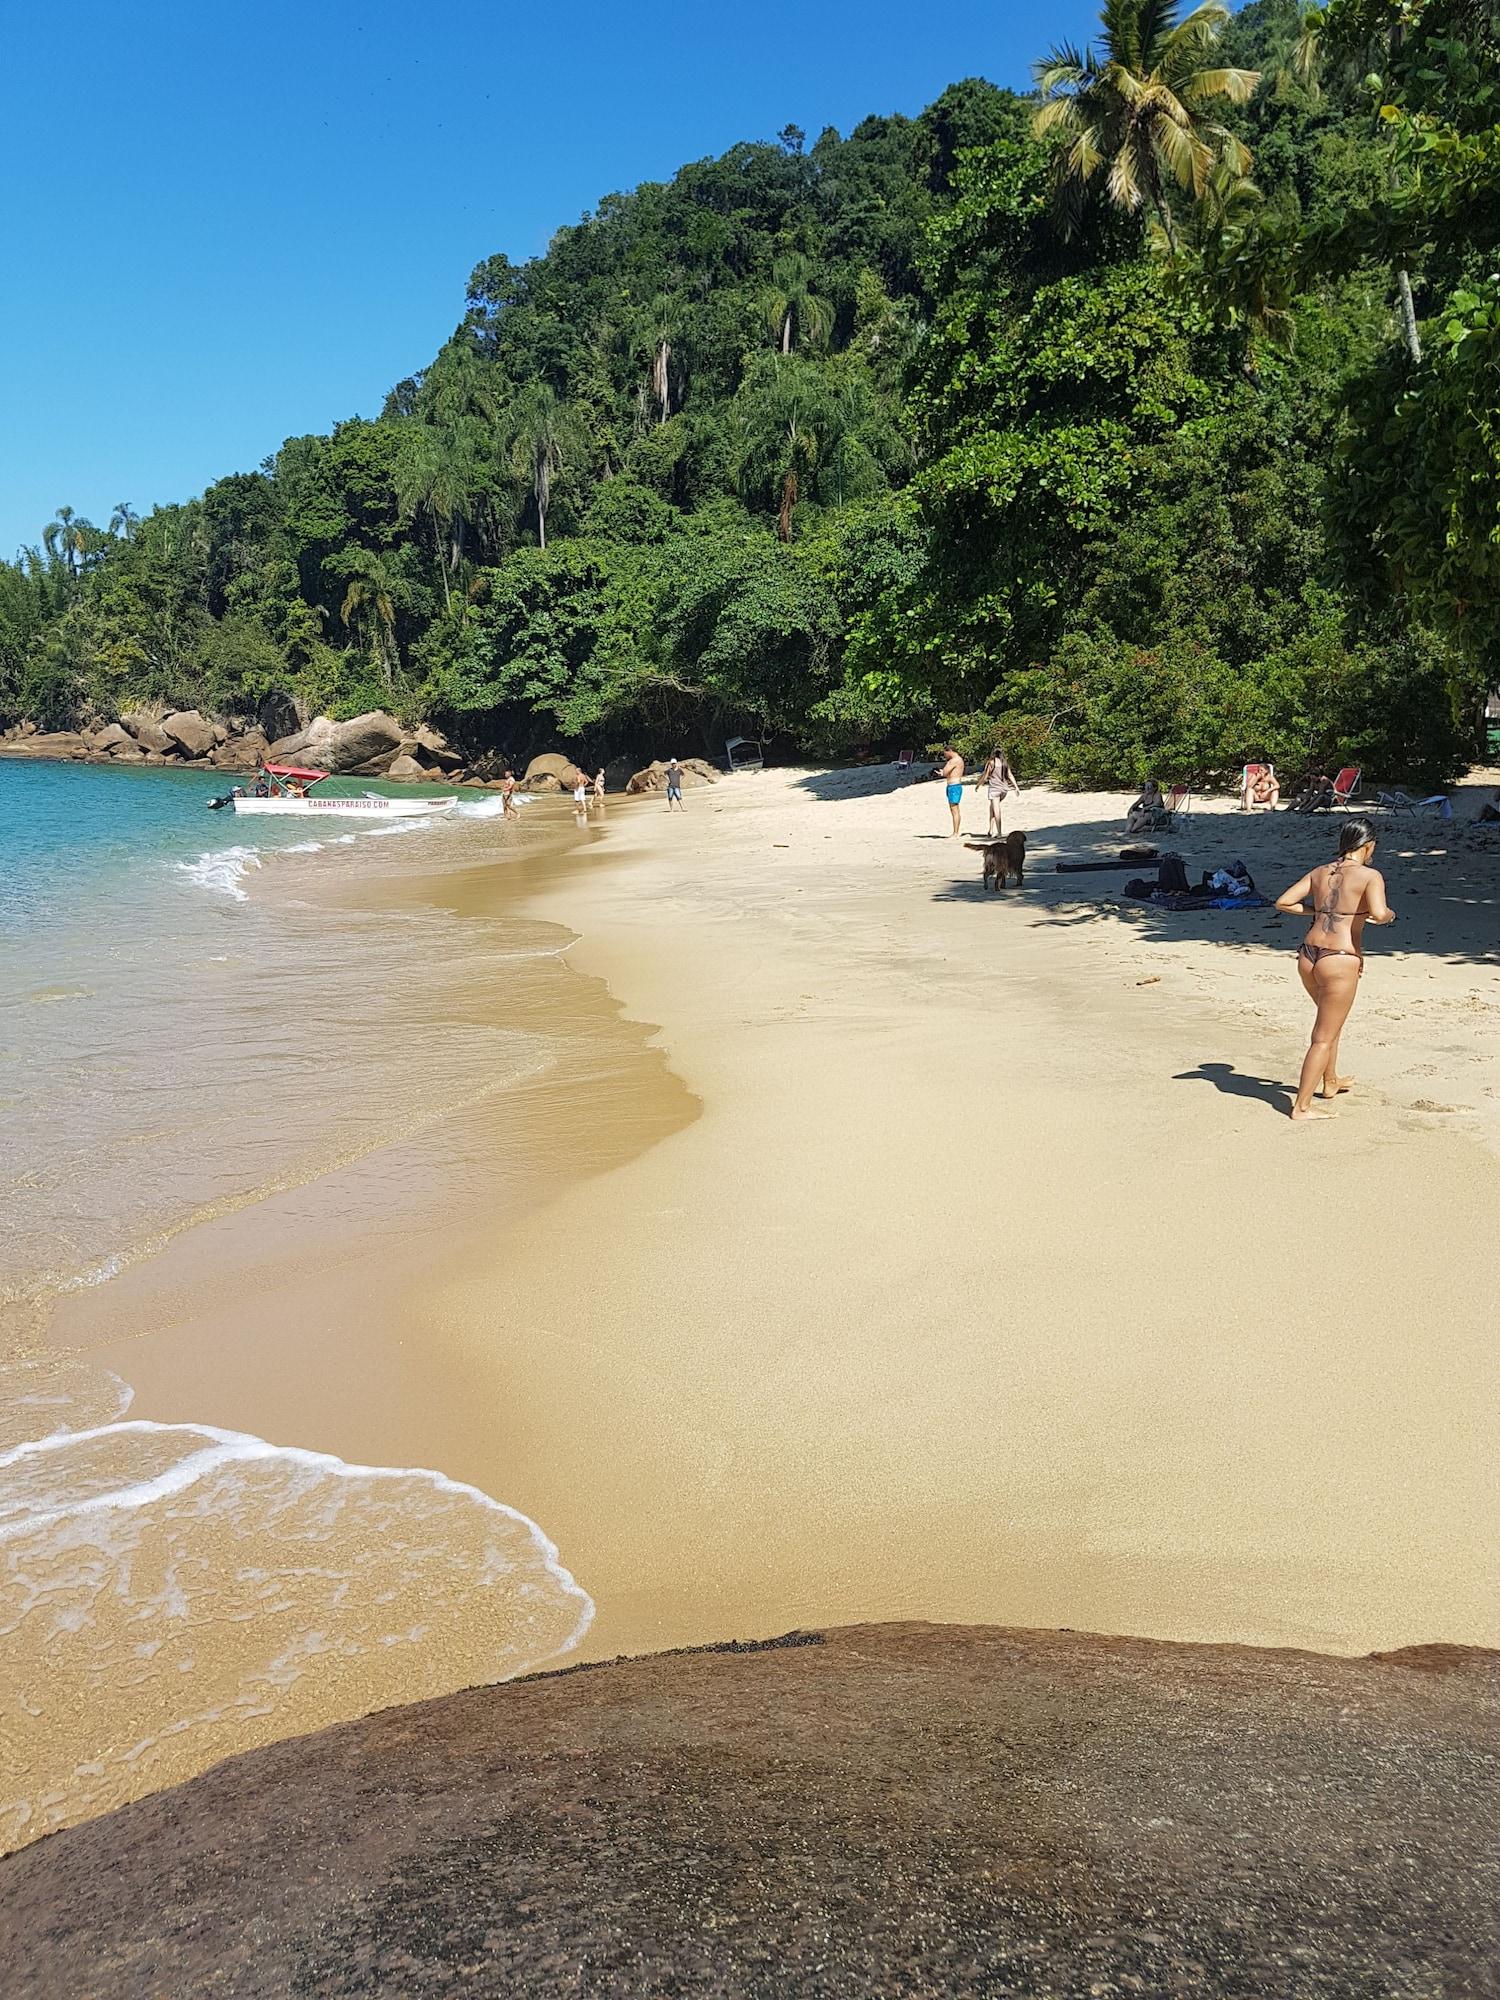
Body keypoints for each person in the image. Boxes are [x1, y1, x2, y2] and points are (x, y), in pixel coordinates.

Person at [1274, 819, 1396, 1121]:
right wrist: (1389, 915)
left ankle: (1330, 1081)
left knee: (1331, 1022)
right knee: (1323, 1036)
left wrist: (1319, 911)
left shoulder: (1320, 871)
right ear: (1368, 846)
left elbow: (1284, 902)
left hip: (1308, 954)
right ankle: (1301, 1107)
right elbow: (1379, 914)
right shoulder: (1370, 875)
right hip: (1338, 959)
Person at [981, 748, 1018, 836]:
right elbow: (1010, 775)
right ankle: (990, 829)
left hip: (994, 789)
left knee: (996, 810)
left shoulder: (991, 762)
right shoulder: (1004, 763)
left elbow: (985, 776)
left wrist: (979, 784)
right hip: (1004, 789)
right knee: (992, 808)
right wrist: (1016, 786)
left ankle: (999, 832)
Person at [935, 746, 965, 835]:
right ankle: (955, 831)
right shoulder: (959, 760)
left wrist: (942, 772)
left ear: (950, 751)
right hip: (954, 785)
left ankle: (955, 832)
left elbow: (945, 772)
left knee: (954, 810)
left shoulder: (954, 760)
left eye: (945, 753)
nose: (945, 756)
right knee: (954, 809)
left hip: (954, 786)